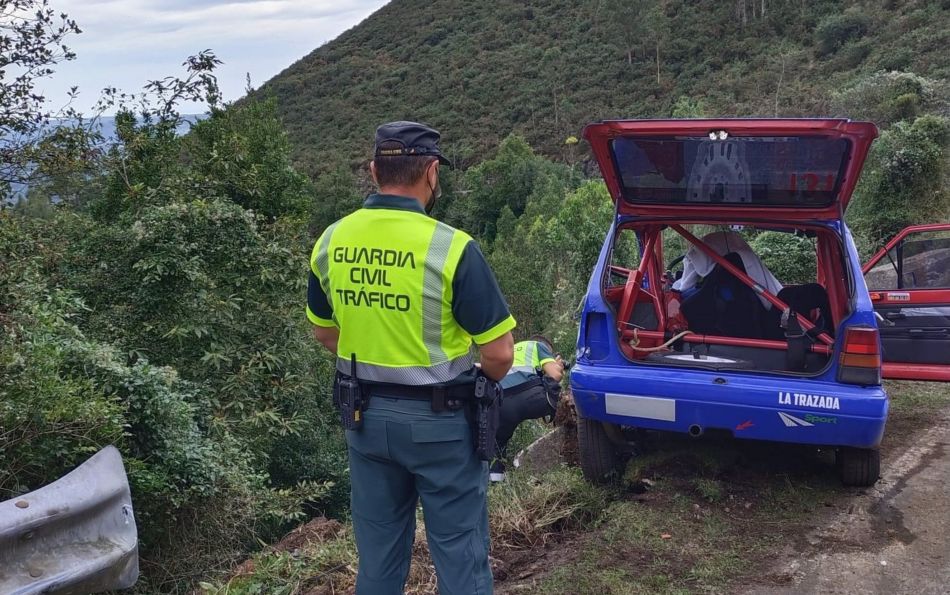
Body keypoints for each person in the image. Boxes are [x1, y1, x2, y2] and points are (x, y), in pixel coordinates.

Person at [306, 121, 515, 595]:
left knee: (378, 559)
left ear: (374, 171)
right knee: (460, 555)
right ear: (432, 173)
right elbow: (500, 353)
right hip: (442, 426)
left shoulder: (332, 240)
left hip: (365, 421)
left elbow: (324, 331)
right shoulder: (452, 247)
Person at [491, 336, 565, 482]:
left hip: (501, 403)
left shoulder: (511, 350)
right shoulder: (537, 345)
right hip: (530, 397)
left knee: (497, 444)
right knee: (562, 400)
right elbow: (555, 375)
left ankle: (496, 481)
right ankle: (567, 430)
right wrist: (558, 367)